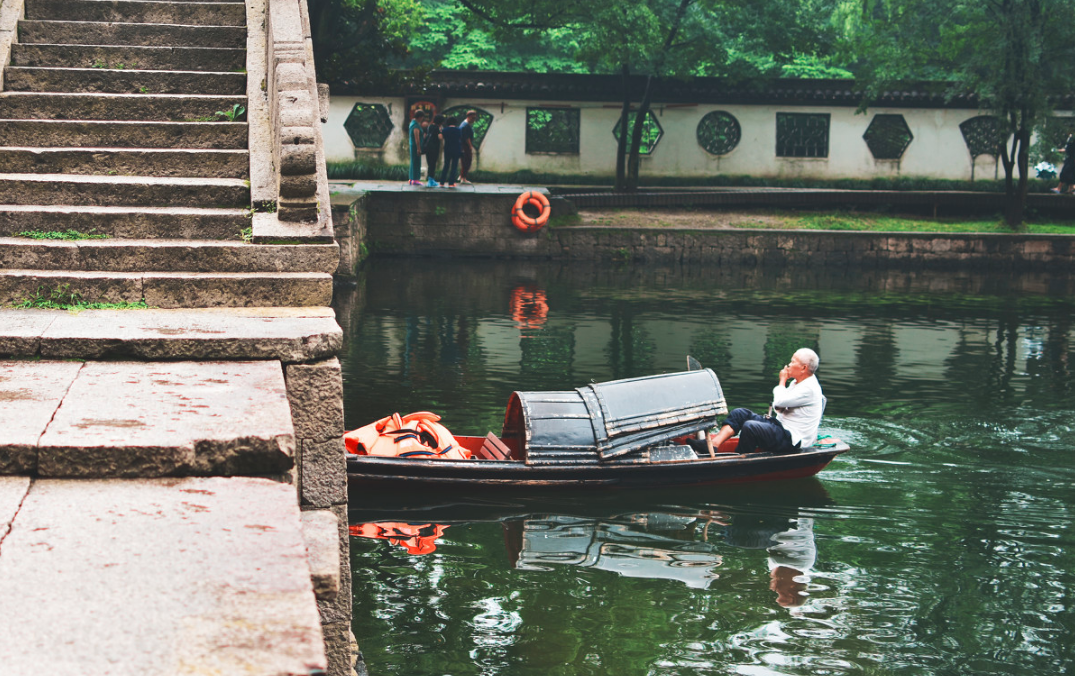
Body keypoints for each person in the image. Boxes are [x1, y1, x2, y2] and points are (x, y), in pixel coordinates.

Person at [708, 347, 824, 454]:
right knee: (739, 413)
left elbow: (779, 402)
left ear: (803, 368)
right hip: (780, 427)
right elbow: (779, 407)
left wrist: (782, 381)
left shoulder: (809, 388)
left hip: (792, 439)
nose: (789, 365)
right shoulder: (796, 382)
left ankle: (739, 459)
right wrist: (780, 401)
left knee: (751, 427)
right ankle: (713, 444)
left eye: (793, 362)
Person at [439, 116, 463, 188]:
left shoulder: (445, 130)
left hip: (447, 149)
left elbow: (441, 138)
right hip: (456, 149)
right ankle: (451, 183)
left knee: (446, 165)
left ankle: (442, 182)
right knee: (454, 166)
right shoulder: (458, 130)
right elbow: (460, 138)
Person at [422, 114, 443, 188]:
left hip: (428, 147)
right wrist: (441, 132)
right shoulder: (438, 128)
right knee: (433, 163)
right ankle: (431, 180)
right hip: (434, 147)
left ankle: (430, 179)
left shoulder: (429, 126)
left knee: (429, 163)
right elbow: (440, 137)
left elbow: (425, 135)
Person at [458, 110, 478, 184]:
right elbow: (467, 137)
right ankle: (463, 177)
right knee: (467, 161)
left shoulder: (464, 124)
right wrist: (470, 146)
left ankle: (462, 175)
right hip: (465, 146)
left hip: (463, 145)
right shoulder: (465, 125)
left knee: (465, 161)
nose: (473, 120)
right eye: (472, 118)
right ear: (469, 117)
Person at [407, 110, 425, 186]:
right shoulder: (416, 125)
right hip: (415, 146)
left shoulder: (412, 123)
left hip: (412, 145)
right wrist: (418, 148)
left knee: (413, 162)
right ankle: (415, 179)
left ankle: (411, 178)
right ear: (420, 117)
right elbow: (416, 137)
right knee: (416, 162)